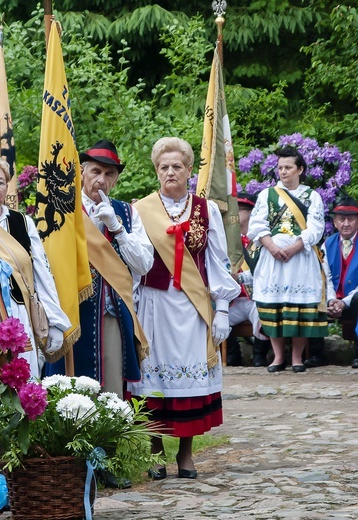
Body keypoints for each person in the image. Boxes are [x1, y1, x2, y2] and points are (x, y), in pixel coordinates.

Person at [130, 137, 240, 480]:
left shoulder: (205, 209)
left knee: (189, 381)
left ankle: (187, 455)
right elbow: (135, 263)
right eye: (163, 167)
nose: (170, 172)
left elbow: (218, 260)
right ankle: (155, 453)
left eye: (177, 166)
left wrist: (222, 307)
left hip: (193, 307)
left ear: (190, 170)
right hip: (153, 304)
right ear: (156, 171)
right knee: (155, 380)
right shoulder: (141, 209)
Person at [45, 140, 154, 401]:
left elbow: (144, 264)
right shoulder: (63, 209)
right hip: (70, 310)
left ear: (115, 179)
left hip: (110, 313)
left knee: (110, 390)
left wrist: (116, 227)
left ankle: (107, 441)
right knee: (65, 390)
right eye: (95, 172)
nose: (101, 180)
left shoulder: (126, 213)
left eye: (109, 174)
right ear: (82, 172)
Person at [0, 156, 70, 379]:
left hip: (19, 315)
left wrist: (55, 322)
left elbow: (42, 274)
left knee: (22, 380)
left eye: (0, 182)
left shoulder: (22, 223)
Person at [247, 147, 327, 373]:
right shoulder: (266, 195)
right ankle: (278, 357)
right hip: (272, 260)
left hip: (300, 258)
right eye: (280, 167)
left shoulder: (312, 196)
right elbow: (256, 225)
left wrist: (294, 247)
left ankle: (297, 357)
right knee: (274, 305)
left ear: (300, 169)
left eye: (288, 167)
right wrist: (271, 247)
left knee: (299, 307)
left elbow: (316, 227)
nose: (283, 172)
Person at [309, 197, 358, 368]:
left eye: (350, 219)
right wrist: (330, 300)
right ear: (335, 222)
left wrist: (344, 302)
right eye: (341, 219)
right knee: (312, 296)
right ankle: (316, 354)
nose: (346, 223)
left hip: (354, 299)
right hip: (334, 299)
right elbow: (325, 278)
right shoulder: (326, 245)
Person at [227, 192, 271, 367]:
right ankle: (232, 353)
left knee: (262, 315)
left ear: (251, 213)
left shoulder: (260, 241)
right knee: (215, 317)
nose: (235, 214)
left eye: (240, 210)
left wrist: (240, 278)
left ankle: (259, 354)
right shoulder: (229, 242)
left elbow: (264, 272)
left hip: (256, 297)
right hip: (234, 300)